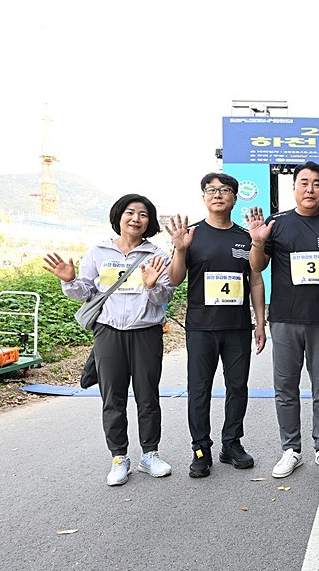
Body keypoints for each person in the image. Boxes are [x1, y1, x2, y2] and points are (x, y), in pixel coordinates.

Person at [44, 194, 175, 486]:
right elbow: (84, 292)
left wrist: (153, 285)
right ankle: (119, 457)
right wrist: (68, 279)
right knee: (112, 397)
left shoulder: (157, 255)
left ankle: (150, 454)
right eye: (130, 213)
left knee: (147, 395)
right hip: (108, 332)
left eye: (143, 214)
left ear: (150, 222)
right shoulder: (99, 252)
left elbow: (165, 296)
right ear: (118, 217)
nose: (136, 219)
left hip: (146, 332)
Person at [245, 162, 319, 478]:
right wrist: (257, 242)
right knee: (286, 388)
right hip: (284, 320)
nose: (310, 189)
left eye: (317, 183)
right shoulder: (276, 224)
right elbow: (257, 266)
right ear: (293, 187)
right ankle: (291, 449)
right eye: (304, 182)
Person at [165, 173, 267, 478]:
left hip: (237, 327)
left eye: (225, 190)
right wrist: (180, 249)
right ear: (204, 197)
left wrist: (260, 323)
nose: (218, 194)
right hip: (201, 327)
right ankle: (200, 449)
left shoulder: (245, 236)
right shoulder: (191, 234)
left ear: (235, 198)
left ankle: (231, 443)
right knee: (200, 390)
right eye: (211, 190)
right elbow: (174, 279)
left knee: (238, 387)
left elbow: (256, 280)